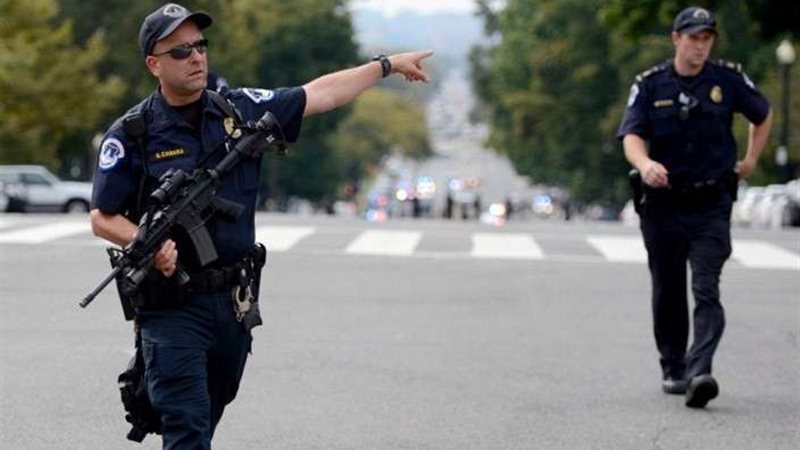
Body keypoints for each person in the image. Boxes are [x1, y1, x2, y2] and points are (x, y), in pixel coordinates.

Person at [89, 3, 432, 448]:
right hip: (172, 304)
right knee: (186, 426)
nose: (196, 57)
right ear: (154, 64)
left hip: (232, 303)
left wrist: (386, 66)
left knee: (207, 416)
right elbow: (102, 216)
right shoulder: (132, 133)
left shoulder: (239, 110)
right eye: (181, 51)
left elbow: (319, 94)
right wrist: (146, 243)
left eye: (200, 46)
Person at [617, 6, 772, 408]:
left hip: (710, 203)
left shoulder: (727, 80)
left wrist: (751, 160)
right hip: (664, 204)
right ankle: (674, 366)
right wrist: (645, 164)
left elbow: (763, 113)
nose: (700, 46)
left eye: (707, 39)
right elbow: (631, 135)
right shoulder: (650, 85)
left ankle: (699, 371)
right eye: (693, 38)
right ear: (676, 39)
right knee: (668, 287)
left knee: (706, 286)